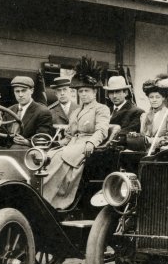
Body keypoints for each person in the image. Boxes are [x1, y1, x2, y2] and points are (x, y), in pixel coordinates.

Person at [42, 67, 110, 209]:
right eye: (80, 91)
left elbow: (102, 130)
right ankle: (43, 194)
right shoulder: (76, 111)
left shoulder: (101, 108)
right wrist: (54, 144)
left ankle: (52, 199)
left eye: (87, 91)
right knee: (49, 155)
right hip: (73, 143)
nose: (83, 94)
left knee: (61, 155)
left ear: (94, 92)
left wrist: (92, 142)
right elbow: (69, 135)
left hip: (86, 144)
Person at [8, 75, 53, 148]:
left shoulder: (42, 112)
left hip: (28, 150)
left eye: (23, 91)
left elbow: (43, 138)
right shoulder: (9, 110)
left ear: (31, 91)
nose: (20, 95)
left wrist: (27, 141)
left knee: (16, 147)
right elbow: (1, 132)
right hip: (7, 148)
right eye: (17, 91)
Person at [139, 74, 168, 149]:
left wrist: (149, 141)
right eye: (151, 97)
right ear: (148, 98)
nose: (154, 100)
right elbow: (142, 136)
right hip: (143, 152)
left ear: (163, 98)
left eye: (157, 97)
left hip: (160, 153)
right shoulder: (143, 116)